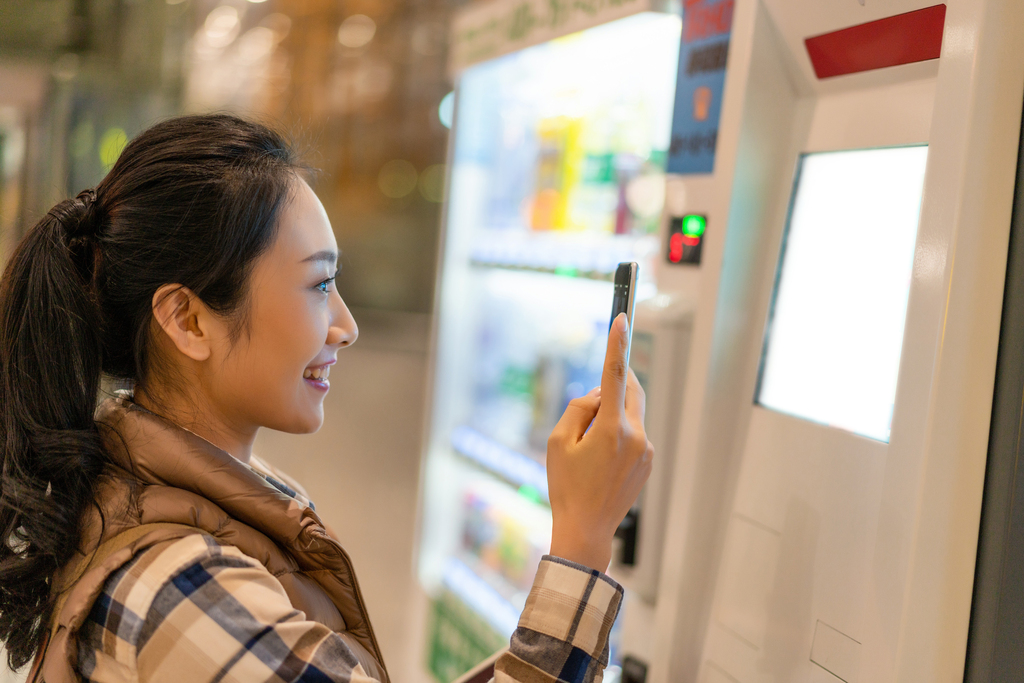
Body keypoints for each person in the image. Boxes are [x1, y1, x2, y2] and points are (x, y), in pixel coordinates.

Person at [0, 114, 654, 683]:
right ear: (189, 320)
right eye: (319, 284)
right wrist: (582, 542)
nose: (346, 324)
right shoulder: (188, 586)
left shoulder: (142, 489)